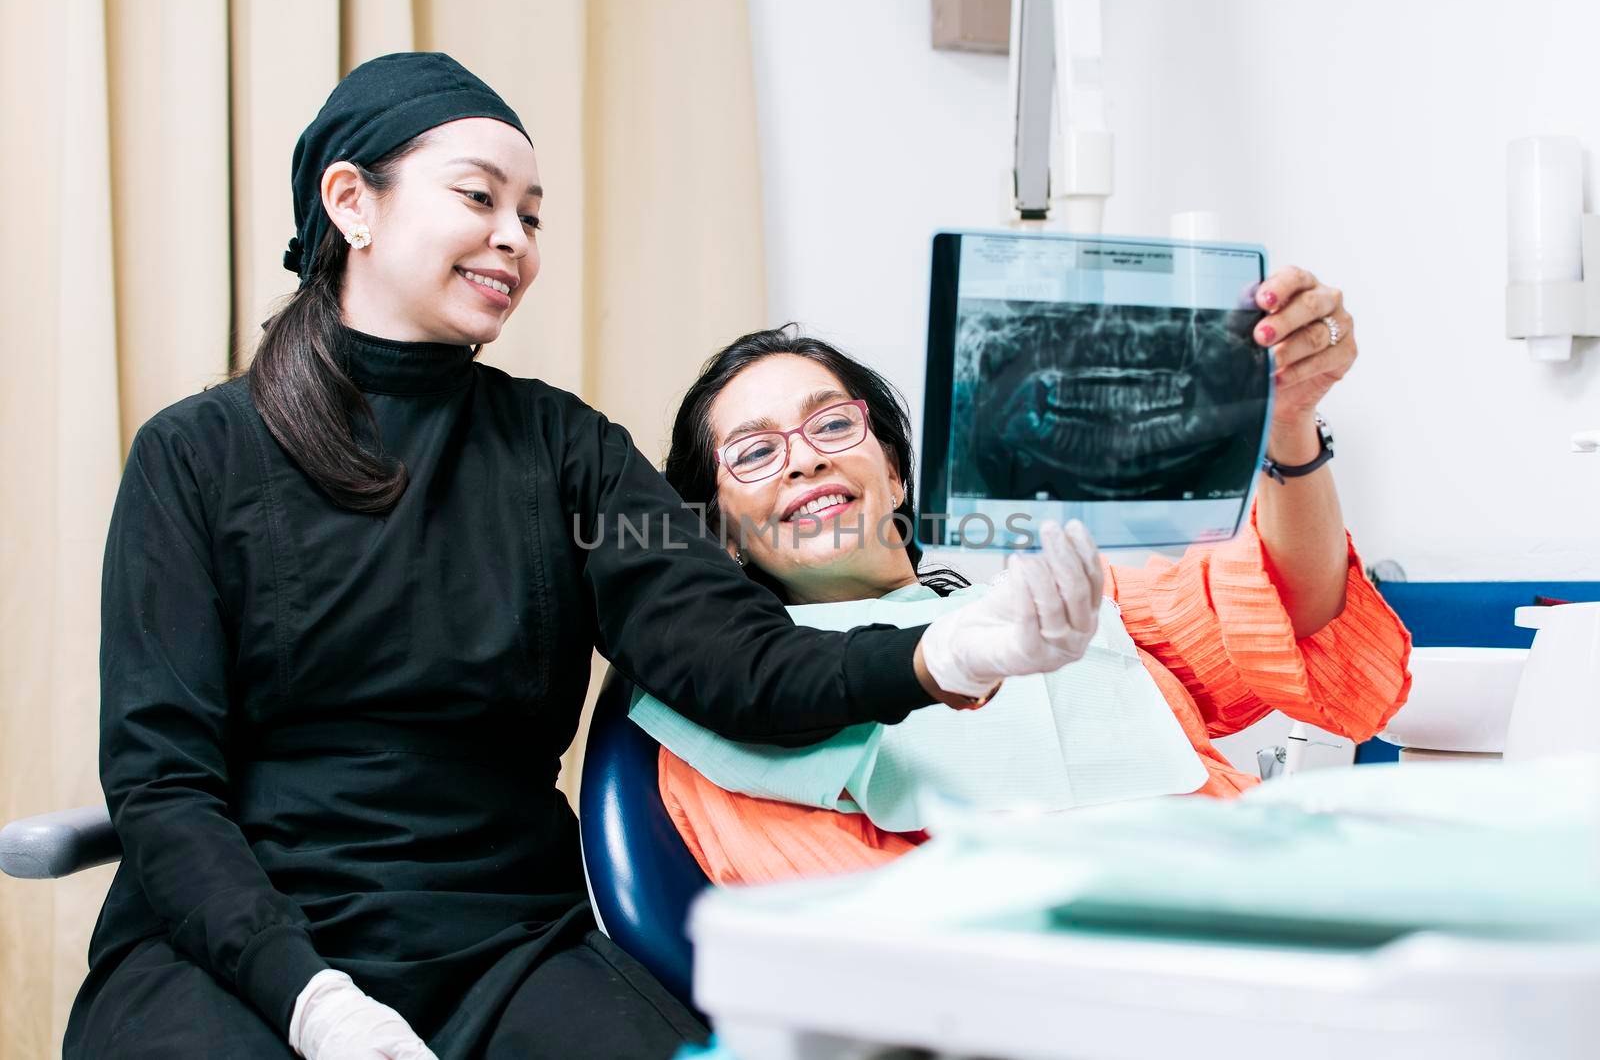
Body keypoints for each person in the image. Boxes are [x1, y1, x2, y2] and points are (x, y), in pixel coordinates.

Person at [63, 53, 1102, 1060]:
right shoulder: (195, 454)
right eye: (479, 197)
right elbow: (163, 784)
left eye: (532, 214)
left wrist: (952, 650)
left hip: (500, 944)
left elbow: (740, 662)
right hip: (237, 950)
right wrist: (311, 999)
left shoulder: (561, 452)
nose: (513, 238)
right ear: (352, 201)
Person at [656, 308, 1413, 887]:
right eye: (755, 451)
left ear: (892, 472)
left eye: (831, 423)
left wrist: (1289, 422)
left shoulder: (1070, 604)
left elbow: (1295, 598)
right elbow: (864, 942)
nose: (806, 458)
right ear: (723, 534)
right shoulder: (731, 707)